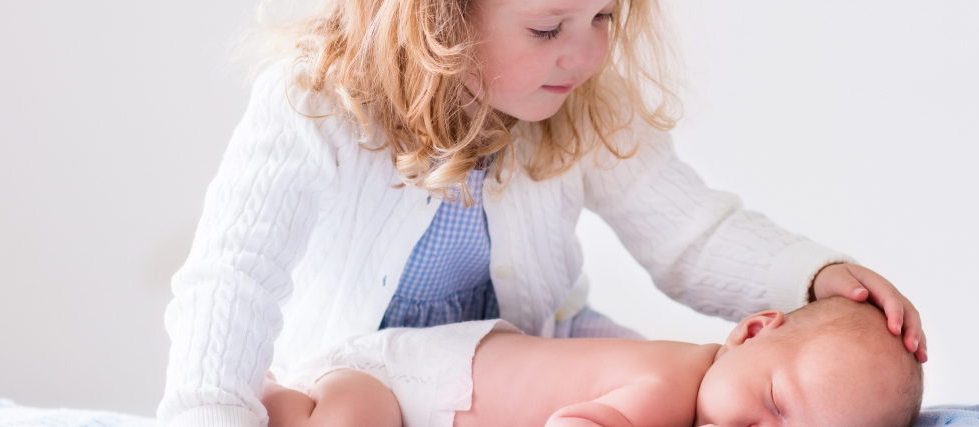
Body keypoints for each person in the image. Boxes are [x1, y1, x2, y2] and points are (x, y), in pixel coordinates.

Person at [156, 0, 928, 425]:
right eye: (548, 27)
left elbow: (690, 233)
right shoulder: (318, 102)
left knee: (670, 391)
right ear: (439, 15)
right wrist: (208, 412)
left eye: (605, 16)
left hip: (527, 362)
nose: (586, 54)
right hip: (363, 376)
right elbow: (233, 274)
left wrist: (814, 276)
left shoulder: (585, 107)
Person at [259, 297, 924, 427]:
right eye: (775, 402)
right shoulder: (670, 387)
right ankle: (266, 394)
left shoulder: (706, 395)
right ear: (750, 333)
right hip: (397, 382)